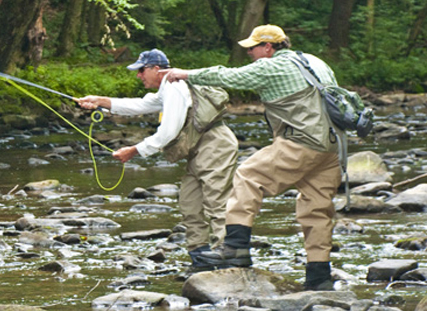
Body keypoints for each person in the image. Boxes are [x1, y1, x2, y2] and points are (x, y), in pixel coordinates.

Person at [164, 25, 341, 291]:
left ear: (268, 48)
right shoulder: (314, 62)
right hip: (331, 148)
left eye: (252, 48)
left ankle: (235, 248)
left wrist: (185, 74)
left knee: (247, 176)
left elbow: (228, 77)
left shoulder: (272, 67)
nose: (249, 53)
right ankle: (319, 276)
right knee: (317, 210)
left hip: (301, 143)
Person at [75, 49, 238, 272]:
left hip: (215, 144)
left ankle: (229, 257)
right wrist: (100, 101)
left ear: (156, 69)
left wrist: (135, 151)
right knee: (190, 202)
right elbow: (141, 105)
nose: (138, 75)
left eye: (141, 70)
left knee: (216, 201)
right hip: (198, 148)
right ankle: (200, 257)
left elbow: (168, 132)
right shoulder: (166, 89)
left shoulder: (174, 87)